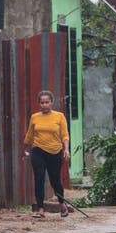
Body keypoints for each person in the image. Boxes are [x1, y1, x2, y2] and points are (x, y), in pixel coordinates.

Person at [23, 90, 70, 218]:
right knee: (39, 178)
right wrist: (25, 148)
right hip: (38, 150)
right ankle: (40, 209)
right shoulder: (35, 117)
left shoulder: (59, 116)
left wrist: (66, 149)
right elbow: (30, 134)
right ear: (39, 103)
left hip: (55, 151)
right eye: (42, 103)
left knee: (55, 180)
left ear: (52, 103)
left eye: (47, 102)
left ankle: (62, 204)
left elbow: (65, 135)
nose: (44, 105)